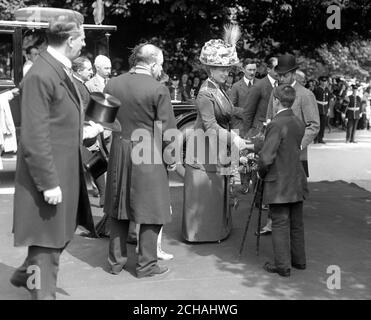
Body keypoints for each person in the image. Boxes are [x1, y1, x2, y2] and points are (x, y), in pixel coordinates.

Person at [11, 13, 98, 300]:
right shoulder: (41, 74)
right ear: (70, 41)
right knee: (45, 248)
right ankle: (39, 289)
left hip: (64, 172)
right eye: (82, 38)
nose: (84, 43)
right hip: (50, 177)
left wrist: (84, 131)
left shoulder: (54, 68)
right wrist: (48, 183)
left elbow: (56, 120)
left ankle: (26, 274)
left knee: (59, 236)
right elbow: (34, 137)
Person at [103, 43, 177, 278]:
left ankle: (115, 263)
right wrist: (172, 158)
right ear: (153, 63)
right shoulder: (158, 89)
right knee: (152, 208)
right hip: (148, 151)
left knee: (118, 206)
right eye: (161, 65)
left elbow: (103, 122)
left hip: (119, 149)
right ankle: (146, 265)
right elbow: (167, 130)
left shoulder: (112, 83)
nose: (161, 69)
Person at [182, 25, 251, 243]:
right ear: (210, 70)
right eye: (221, 69)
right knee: (206, 193)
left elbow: (229, 111)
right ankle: (202, 234)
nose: (226, 73)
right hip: (204, 148)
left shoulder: (218, 88)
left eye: (227, 69)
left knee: (217, 190)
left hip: (217, 147)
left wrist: (251, 114)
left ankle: (218, 229)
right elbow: (211, 126)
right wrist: (235, 139)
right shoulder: (205, 93)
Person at [262, 53, 319, 235]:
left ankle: (289, 228)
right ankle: (272, 222)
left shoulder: (306, 95)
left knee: (293, 192)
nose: (281, 79)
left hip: (296, 152)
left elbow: (314, 125)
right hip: (276, 150)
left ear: (294, 74)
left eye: (285, 75)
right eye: (279, 75)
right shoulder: (275, 92)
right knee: (274, 186)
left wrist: (300, 144)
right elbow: (270, 118)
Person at [259, 84, 308, 277]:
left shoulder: (276, 124)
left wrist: (260, 173)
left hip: (279, 182)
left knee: (279, 222)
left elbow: (266, 158)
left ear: (276, 100)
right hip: (296, 179)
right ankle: (299, 261)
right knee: (296, 224)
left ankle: (282, 266)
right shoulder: (298, 122)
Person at [229, 58, 258, 194]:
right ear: (243, 70)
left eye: (254, 69)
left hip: (255, 127)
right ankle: (241, 184)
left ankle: (254, 184)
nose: (252, 72)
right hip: (240, 126)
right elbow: (230, 108)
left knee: (254, 157)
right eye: (249, 69)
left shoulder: (260, 85)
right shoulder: (236, 86)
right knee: (241, 157)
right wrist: (246, 113)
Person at [313, 76, 331, 143]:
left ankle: (321, 138)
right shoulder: (317, 89)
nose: (324, 83)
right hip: (318, 108)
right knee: (317, 124)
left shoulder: (327, 90)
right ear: (320, 82)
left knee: (323, 125)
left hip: (325, 108)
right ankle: (315, 138)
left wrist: (328, 108)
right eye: (323, 81)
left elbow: (328, 100)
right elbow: (313, 99)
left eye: (325, 81)